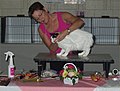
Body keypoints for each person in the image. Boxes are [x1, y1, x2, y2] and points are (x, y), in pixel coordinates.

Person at [28, 2, 85, 72]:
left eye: (40, 15)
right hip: (57, 58)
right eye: (37, 19)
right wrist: (57, 41)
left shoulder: (63, 16)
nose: (41, 19)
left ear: (45, 9)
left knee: (75, 79)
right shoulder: (41, 29)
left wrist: (66, 32)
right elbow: (52, 48)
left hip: (74, 55)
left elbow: (80, 22)